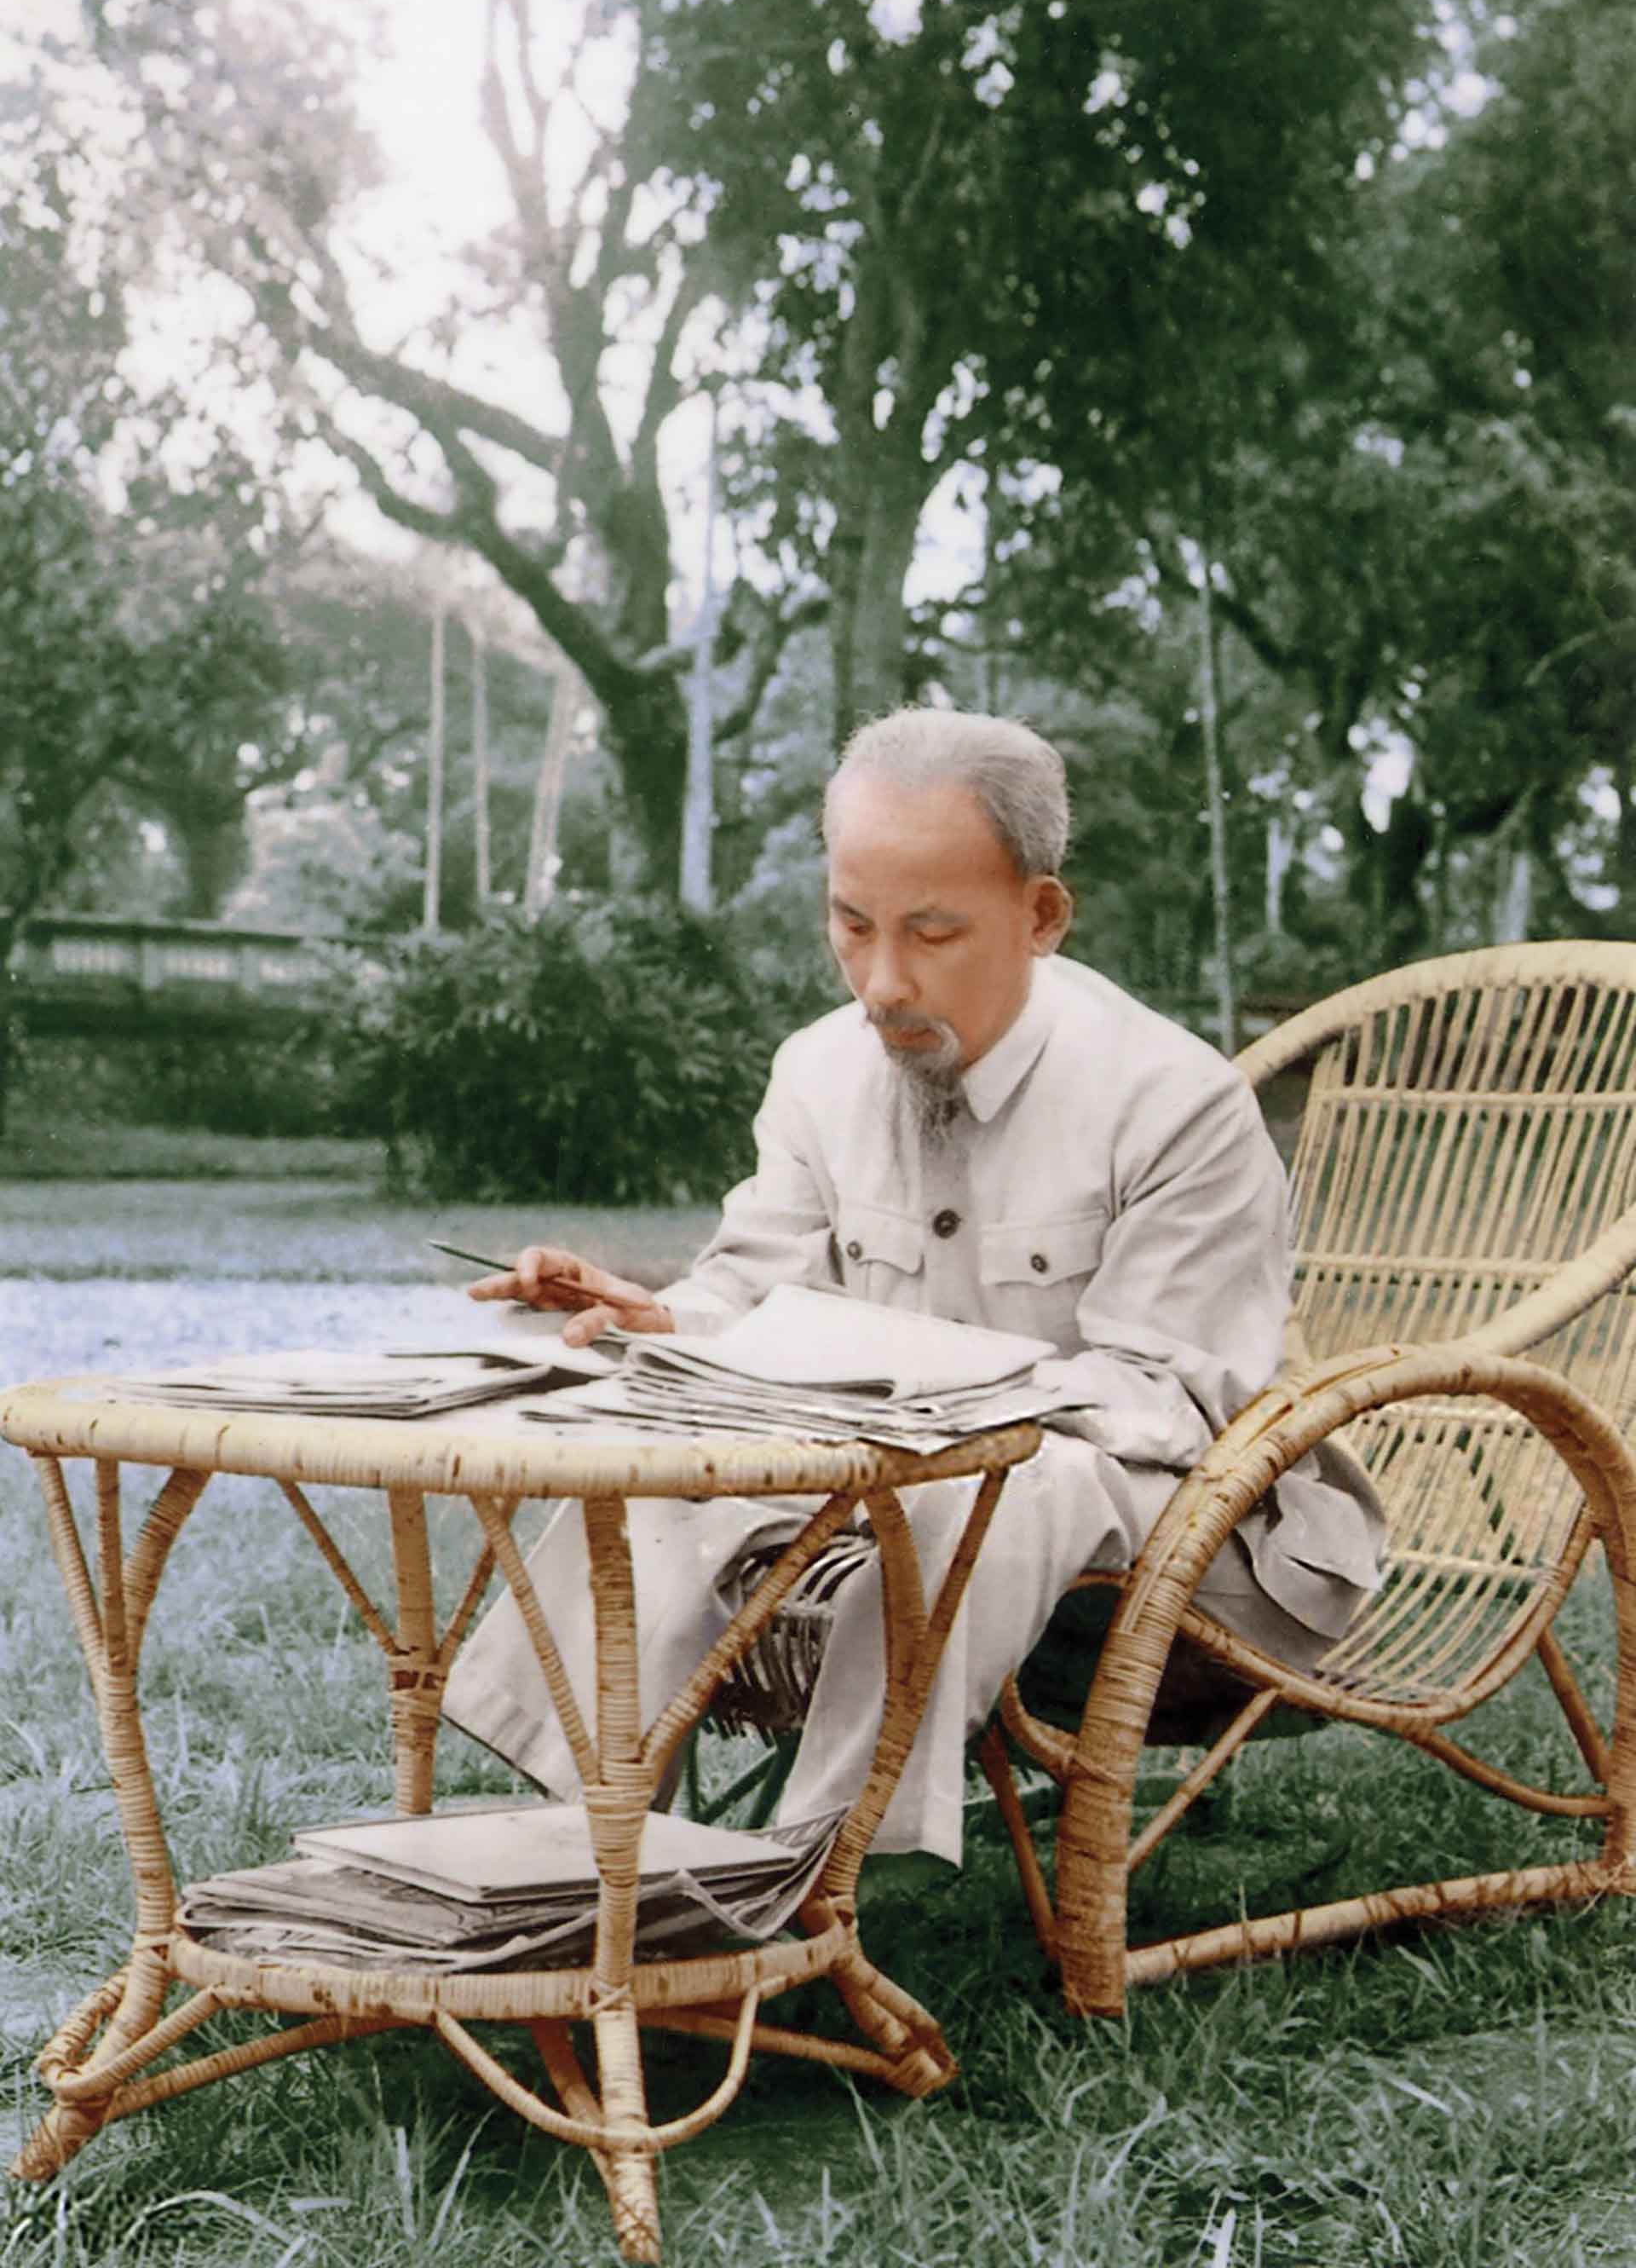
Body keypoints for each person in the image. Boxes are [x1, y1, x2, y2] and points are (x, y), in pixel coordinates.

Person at [442, 707, 1383, 1864]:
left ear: (1040, 916)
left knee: (1009, 1481)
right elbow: (755, 1290)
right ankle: (584, 1838)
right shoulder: (818, 1070)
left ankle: (819, 1875)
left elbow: (1170, 1404)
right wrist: (668, 1323)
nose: (882, 982)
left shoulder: (1172, 1102)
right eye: (851, 924)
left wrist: (936, 1411)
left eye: (934, 933)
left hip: (1200, 1552)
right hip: (900, 1496)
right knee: (661, 1444)